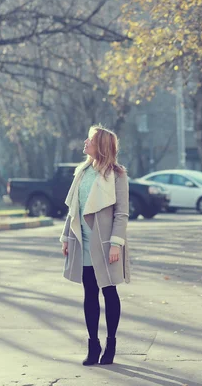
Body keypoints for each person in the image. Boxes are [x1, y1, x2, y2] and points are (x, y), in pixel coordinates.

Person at [59, 125, 130, 366]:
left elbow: (122, 213)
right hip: (83, 242)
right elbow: (73, 210)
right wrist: (66, 237)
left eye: (89, 140)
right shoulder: (82, 172)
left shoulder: (117, 175)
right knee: (90, 293)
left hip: (106, 242)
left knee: (109, 292)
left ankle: (110, 344)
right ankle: (93, 345)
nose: (85, 143)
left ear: (99, 146)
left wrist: (116, 244)